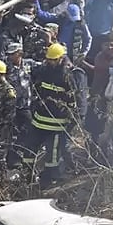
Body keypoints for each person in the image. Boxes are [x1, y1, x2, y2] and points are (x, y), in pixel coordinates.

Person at [26, 43, 76, 183]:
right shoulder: (43, 71)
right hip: (39, 120)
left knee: (52, 154)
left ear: (61, 59)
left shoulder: (67, 77)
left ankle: (49, 180)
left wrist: (70, 120)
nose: (50, 62)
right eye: (49, 59)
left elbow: (72, 100)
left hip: (56, 124)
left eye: (53, 59)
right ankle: (27, 177)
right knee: (30, 147)